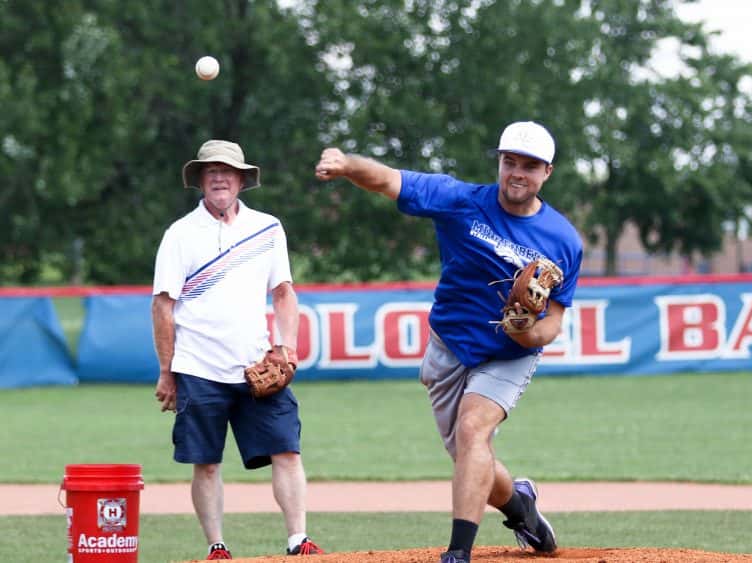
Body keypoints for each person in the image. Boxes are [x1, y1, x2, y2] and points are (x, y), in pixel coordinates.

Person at [315, 121, 582, 563]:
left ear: (547, 172)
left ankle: (458, 553)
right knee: (469, 456)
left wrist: (526, 333)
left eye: (530, 165)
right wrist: (346, 166)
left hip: (509, 355)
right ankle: (522, 509)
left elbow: (553, 320)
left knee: (473, 430)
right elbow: (389, 180)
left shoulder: (563, 239)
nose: (517, 172)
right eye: (510, 161)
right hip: (449, 345)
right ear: (499, 162)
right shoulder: (459, 201)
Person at [151, 140, 324, 560]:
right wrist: (167, 371)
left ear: (242, 181)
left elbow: (283, 292)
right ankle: (217, 547)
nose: (219, 178)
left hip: (257, 362)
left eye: (227, 171)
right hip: (198, 366)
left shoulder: (267, 227)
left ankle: (298, 539)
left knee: (287, 449)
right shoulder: (180, 234)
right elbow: (163, 305)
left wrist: (286, 348)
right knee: (207, 461)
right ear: (200, 180)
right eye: (210, 171)